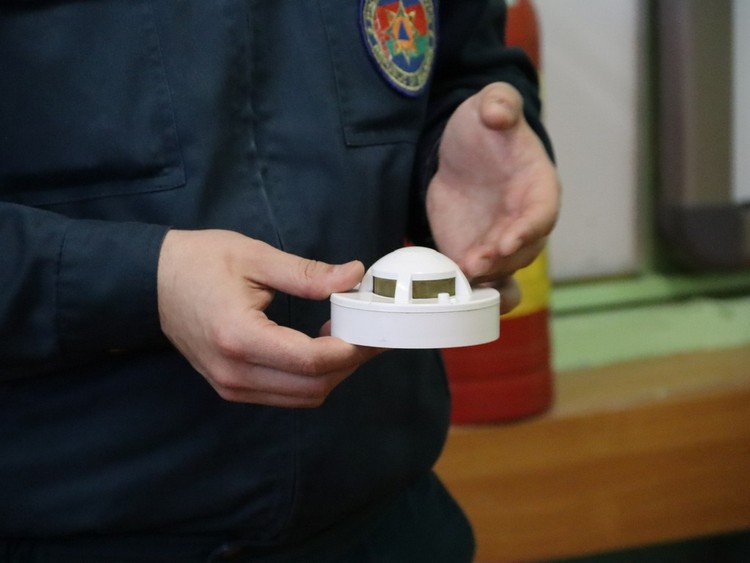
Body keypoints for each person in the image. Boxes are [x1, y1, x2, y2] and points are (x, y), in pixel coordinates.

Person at [0, 1, 559, 561]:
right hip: (71, 529)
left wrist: (459, 142)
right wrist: (141, 279)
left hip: (390, 518)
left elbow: (462, 59)